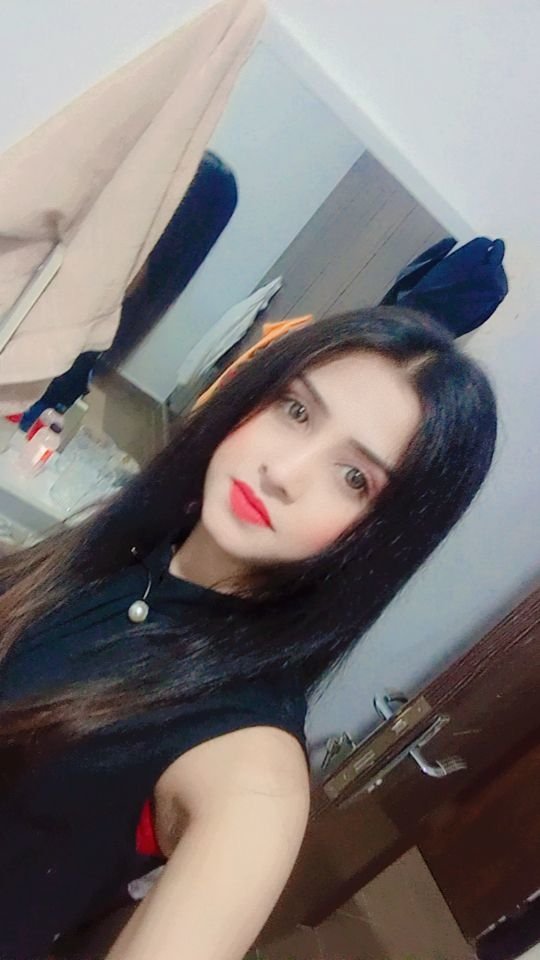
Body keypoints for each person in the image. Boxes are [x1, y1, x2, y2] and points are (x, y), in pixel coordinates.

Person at [0, 306, 497, 960]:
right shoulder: (126, 550)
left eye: (354, 478)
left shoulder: (250, 759)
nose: (283, 473)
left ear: (381, 539)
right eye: (296, 411)